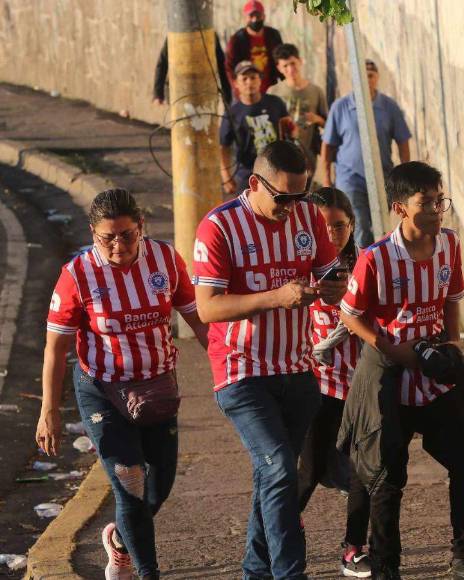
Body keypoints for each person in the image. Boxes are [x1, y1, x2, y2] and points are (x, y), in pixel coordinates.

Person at [339, 161, 464, 580]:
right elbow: (350, 315)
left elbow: (453, 297)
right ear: (400, 208)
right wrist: (391, 349)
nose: (436, 210)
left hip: (435, 378)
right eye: (426, 203)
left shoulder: (448, 244)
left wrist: (451, 344)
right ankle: (384, 567)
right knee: (387, 478)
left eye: (439, 200)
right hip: (391, 380)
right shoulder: (377, 258)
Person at [193, 141, 347, 580]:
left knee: (273, 476)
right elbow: (207, 308)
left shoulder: (307, 217)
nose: (292, 207)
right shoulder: (219, 226)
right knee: (280, 466)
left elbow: (326, 272)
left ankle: (255, 572)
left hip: (297, 370)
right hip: (241, 371)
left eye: (301, 196)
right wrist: (276, 297)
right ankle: (288, 573)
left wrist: (333, 287)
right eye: (283, 198)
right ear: (254, 183)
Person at [35, 188, 209, 580]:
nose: (118, 245)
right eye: (107, 237)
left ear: (141, 228)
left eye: (127, 235)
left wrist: (227, 366)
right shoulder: (76, 275)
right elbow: (54, 349)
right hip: (102, 390)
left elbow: (197, 317)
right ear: (93, 234)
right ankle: (147, 572)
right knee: (129, 478)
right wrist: (48, 412)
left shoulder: (165, 259)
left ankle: (119, 540)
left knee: (157, 487)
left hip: (157, 388)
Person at [297, 187, 371, 578]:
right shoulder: (298, 269)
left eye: (339, 226)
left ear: (351, 224)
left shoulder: (366, 265)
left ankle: (354, 548)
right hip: (318, 385)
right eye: (323, 228)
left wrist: (355, 303)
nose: (332, 234)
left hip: (361, 386)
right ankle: (279, 537)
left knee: (364, 472)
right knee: (307, 470)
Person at [321, 59, 411, 248]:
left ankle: (375, 266)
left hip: (382, 177)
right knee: (359, 225)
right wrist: (327, 179)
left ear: (376, 78)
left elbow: (403, 140)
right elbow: (328, 146)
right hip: (350, 177)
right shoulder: (341, 107)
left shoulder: (388, 107)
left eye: (370, 75)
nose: (366, 79)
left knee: (379, 225)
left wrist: (404, 175)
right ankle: (361, 270)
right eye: (362, 75)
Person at [220, 60, 293, 196]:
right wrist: (225, 175)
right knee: (248, 214)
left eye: (253, 78)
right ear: (236, 83)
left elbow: (288, 130)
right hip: (247, 175)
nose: (249, 82)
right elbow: (224, 146)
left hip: (277, 171)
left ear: (260, 80)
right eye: (244, 78)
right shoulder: (232, 113)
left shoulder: (275, 103)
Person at [268, 44, 328, 174]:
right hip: (282, 156)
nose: (290, 69)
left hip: (308, 155)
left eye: (293, 63)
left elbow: (328, 124)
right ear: (279, 68)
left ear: (300, 61)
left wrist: (316, 119)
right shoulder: (273, 92)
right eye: (285, 66)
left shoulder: (316, 91)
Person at [225, 0, 283, 99]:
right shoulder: (236, 40)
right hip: (246, 93)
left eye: (258, 16)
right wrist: (238, 88)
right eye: (251, 16)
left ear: (264, 16)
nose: (254, 20)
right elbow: (229, 67)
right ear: (245, 18)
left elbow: (281, 59)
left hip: (270, 90)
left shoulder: (273, 35)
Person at [153, 35, 232, 106]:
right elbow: (162, 64)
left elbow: (221, 67)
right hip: (178, 94)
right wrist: (158, 93)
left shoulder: (210, 35)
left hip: (205, 93)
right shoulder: (175, 36)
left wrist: (227, 98)